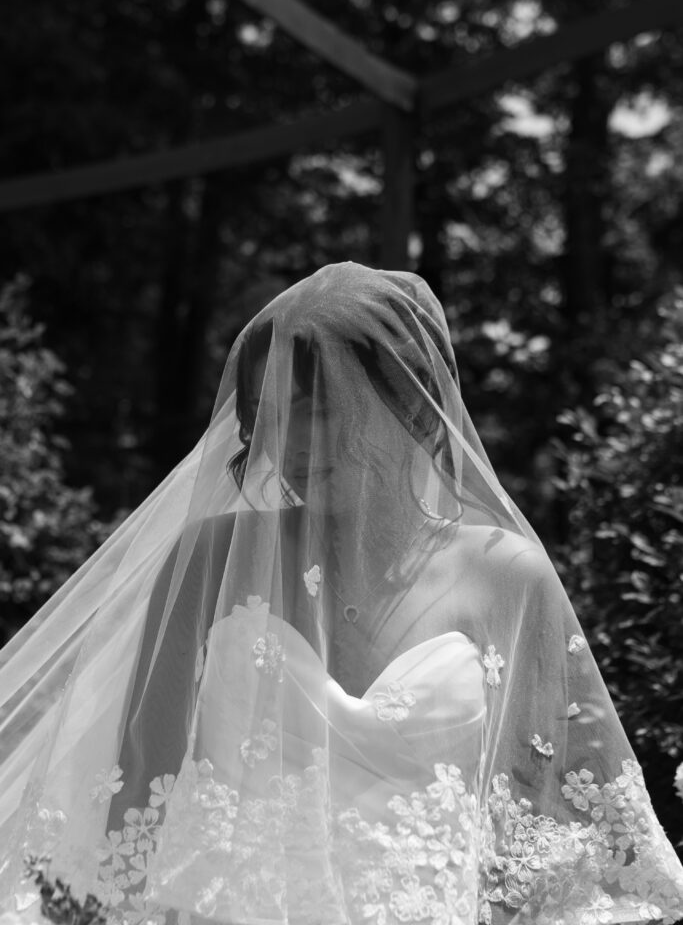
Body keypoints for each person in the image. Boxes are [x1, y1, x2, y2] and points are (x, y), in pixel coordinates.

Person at [0, 261, 682, 925]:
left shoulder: (509, 576)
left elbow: (555, 822)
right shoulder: (210, 559)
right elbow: (136, 790)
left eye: (317, 410)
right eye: (267, 416)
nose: (288, 443)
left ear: (409, 401)